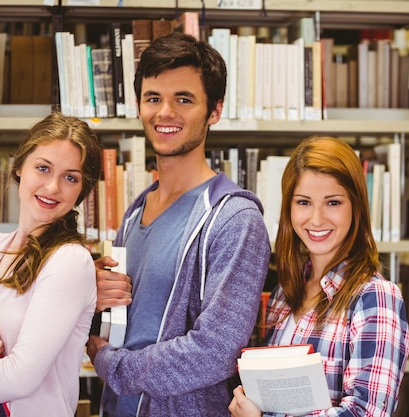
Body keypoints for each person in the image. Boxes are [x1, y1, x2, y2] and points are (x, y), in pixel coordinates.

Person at [86, 31, 272, 416]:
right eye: (153, 98)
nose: (164, 112)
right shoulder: (135, 211)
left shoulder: (234, 219)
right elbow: (119, 324)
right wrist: (93, 296)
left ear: (214, 111)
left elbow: (214, 353)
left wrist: (112, 365)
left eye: (183, 99)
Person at [228, 136, 409, 417]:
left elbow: (366, 413)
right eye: (303, 202)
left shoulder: (376, 297)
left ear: (356, 207)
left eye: (333, 203)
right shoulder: (284, 293)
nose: (316, 219)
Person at [0, 111, 102, 416]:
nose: (53, 187)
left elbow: (21, 376)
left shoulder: (70, 260)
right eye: (43, 168)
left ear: (81, 191)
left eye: (70, 177)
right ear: (19, 168)